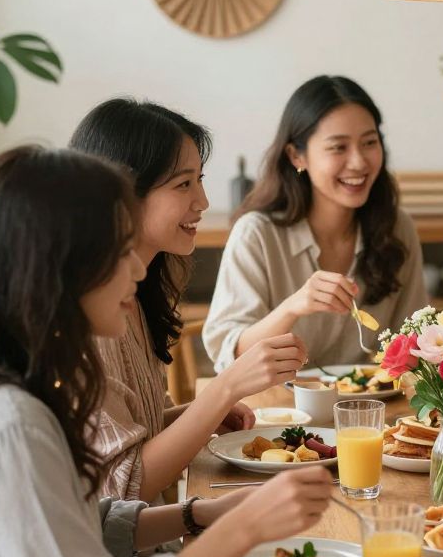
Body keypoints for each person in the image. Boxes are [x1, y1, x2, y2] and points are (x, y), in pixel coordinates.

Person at [0, 146, 333, 557]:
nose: (140, 268)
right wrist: (246, 527)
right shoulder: (8, 423)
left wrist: (199, 515)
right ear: (59, 266)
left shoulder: (13, 386)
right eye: (121, 251)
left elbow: (74, 527)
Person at [70, 99, 306, 503]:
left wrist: (205, 414)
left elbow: (136, 428)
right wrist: (224, 388)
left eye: (199, 179)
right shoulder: (90, 317)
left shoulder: (137, 293)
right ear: (124, 192)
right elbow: (122, 487)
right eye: (184, 184)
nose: (203, 201)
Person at [203, 75, 428, 370]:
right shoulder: (256, 234)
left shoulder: (397, 228)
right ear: (297, 155)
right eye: (338, 147)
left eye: (369, 142)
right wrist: (293, 307)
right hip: (279, 409)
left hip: (375, 410)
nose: (359, 162)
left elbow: (417, 340)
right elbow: (229, 355)